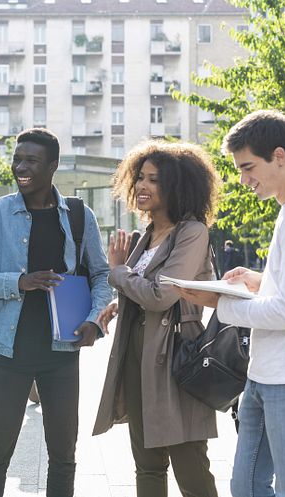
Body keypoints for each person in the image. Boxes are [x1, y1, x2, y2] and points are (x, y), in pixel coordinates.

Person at [176, 110, 285, 497]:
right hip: (268, 375)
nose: (244, 179)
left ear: (280, 155)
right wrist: (259, 282)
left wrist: (219, 304)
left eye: (249, 167)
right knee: (248, 486)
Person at [0, 128, 111, 497]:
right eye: (17, 159)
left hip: (61, 353)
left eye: (32, 161)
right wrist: (18, 282)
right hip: (10, 352)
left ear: (53, 166)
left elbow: (101, 274)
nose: (20, 167)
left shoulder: (77, 214)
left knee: (63, 454)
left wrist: (94, 320)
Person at [92, 141, 221, 497]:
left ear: (178, 186)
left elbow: (163, 295)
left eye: (154, 180)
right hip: (137, 355)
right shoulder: (147, 235)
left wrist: (117, 273)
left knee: (190, 465)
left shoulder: (192, 232)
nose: (142, 186)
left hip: (176, 359)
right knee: (147, 466)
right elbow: (145, 288)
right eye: (140, 177)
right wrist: (120, 304)